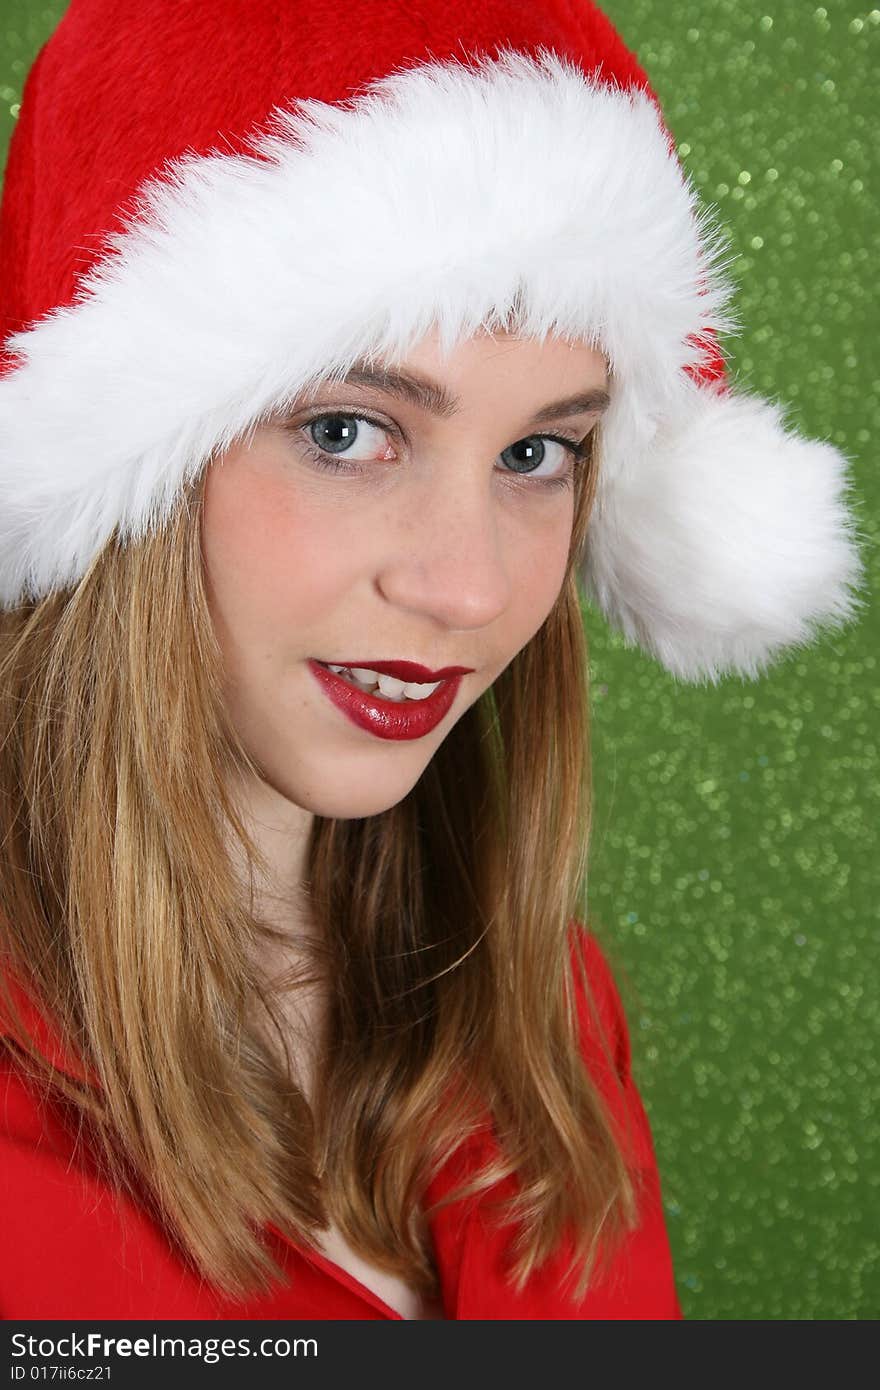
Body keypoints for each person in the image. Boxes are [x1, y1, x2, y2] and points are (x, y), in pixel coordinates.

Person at [0, 0, 863, 1321]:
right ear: (124, 469)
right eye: (349, 431)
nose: (465, 587)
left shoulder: (546, 1008)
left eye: (538, 454)